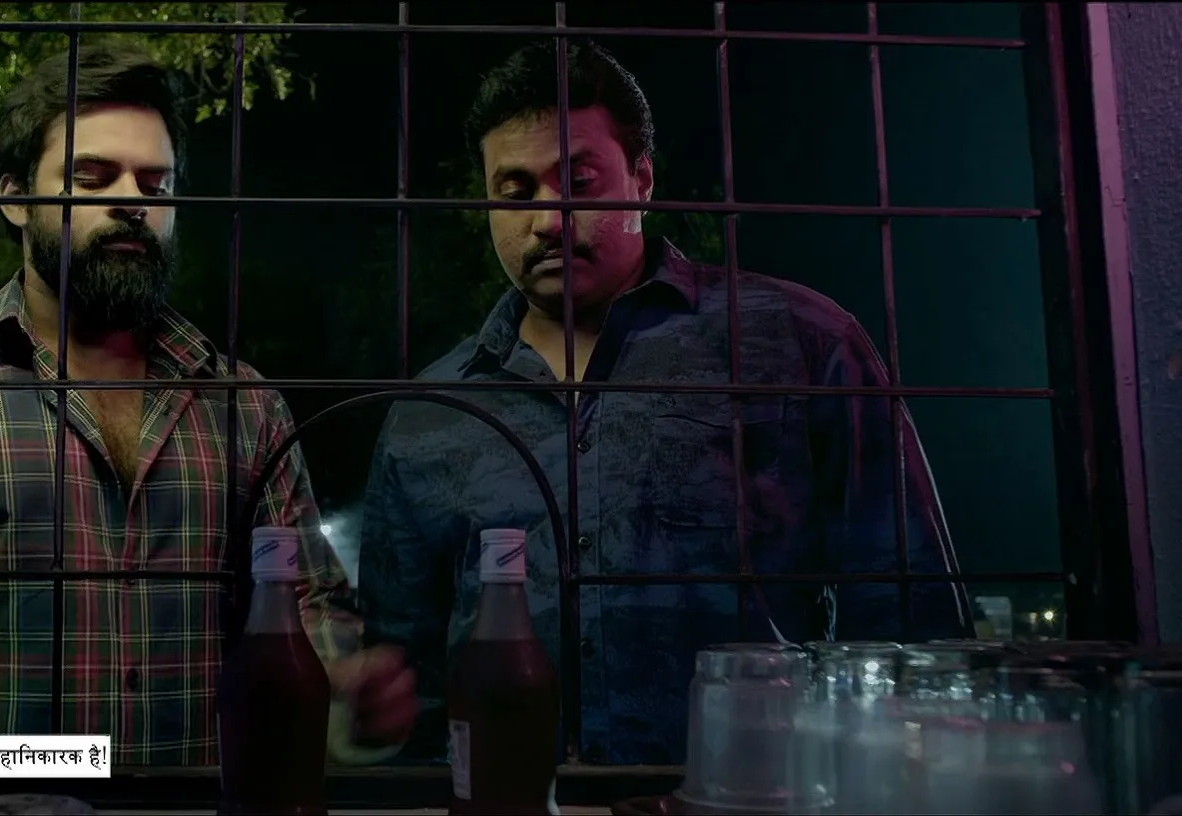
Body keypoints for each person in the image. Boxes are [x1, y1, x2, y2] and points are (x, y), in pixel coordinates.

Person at [0, 44, 413, 766]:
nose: (132, 201)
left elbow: (306, 608)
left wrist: (345, 694)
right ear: (16, 197)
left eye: (156, 183)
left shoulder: (245, 405)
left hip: (193, 808)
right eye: (92, 177)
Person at [357, 39, 973, 766]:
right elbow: (405, 680)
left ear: (642, 180)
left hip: (748, 795)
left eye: (578, 182)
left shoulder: (798, 343)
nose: (547, 219)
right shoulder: (430, 411)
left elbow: (911, 616)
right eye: (515, 193)